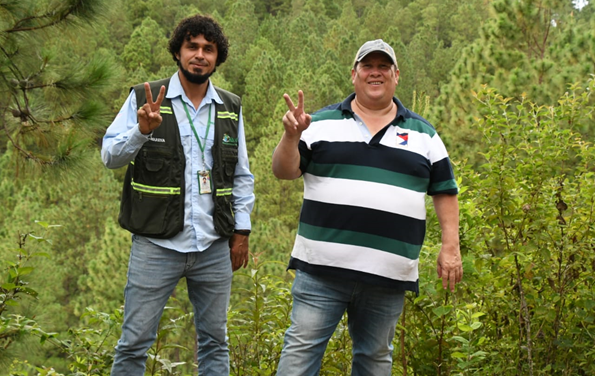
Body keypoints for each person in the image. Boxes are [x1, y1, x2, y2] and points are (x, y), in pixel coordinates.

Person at [272, 39, 462, 375]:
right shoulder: (319, 123)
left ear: (396, 75)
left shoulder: (424, 135)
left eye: (383, 66)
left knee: (374, 361)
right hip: (321, 273)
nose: (375, 72)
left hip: (387, 278)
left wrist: (451, 246)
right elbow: (284, 172)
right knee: (299, 357)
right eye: (367, 66)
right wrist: (290, 136)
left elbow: (445, 190)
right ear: (354, 74)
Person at [101, 14, 254, 376]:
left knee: (216, 342)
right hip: (156, 245)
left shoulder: (230, 108)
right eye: (192, 47)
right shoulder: (145, 98)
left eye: (208, 49)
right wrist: (140, 131)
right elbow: (110, 157)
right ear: (178, 52)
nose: (200, 55)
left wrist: (242, 232)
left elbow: (242, 174)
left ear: (217, 57)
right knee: (135, 342)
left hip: (214, 245)